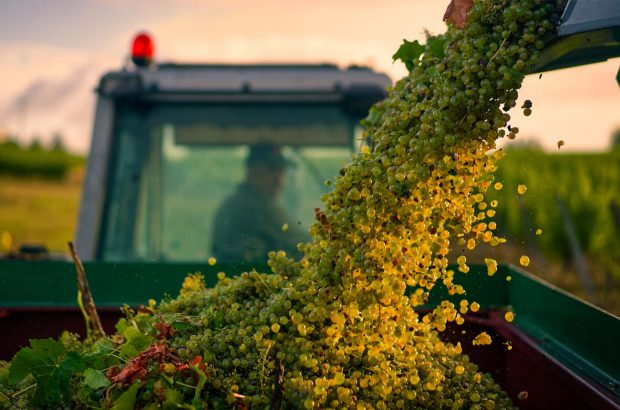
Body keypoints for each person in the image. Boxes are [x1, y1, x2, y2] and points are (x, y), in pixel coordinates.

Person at [212, 143, 307, 263]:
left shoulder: (238, 201)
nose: (278, 179)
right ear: (252, 172)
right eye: (271, 170)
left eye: (281, 171)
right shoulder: (253, 205)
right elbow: (300, 242)